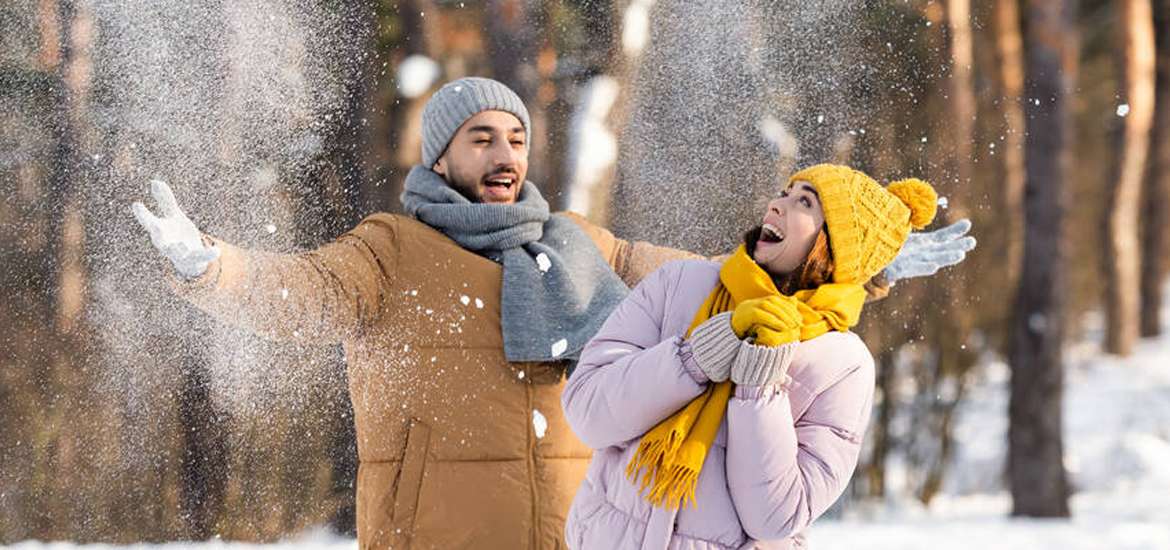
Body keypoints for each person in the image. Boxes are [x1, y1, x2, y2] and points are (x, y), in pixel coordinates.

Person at [131, 77, 973, 549]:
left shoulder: (575, 243)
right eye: (482, 139)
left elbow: (731, 281)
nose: (505, 156)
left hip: (572, 532)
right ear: (442, 155)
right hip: (437, 538)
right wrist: (212, 266)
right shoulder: (390, 249)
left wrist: (866, 260)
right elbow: (304, 295)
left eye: (517, 139)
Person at [562, 164, 938, 549]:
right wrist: (695, 358)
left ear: (836, 245)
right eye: (785, 193)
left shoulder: (844, 366)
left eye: (804, 202)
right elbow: (586, 413)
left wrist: (759, 384)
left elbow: (775, 517)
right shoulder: (678, 284)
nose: (777, 205)